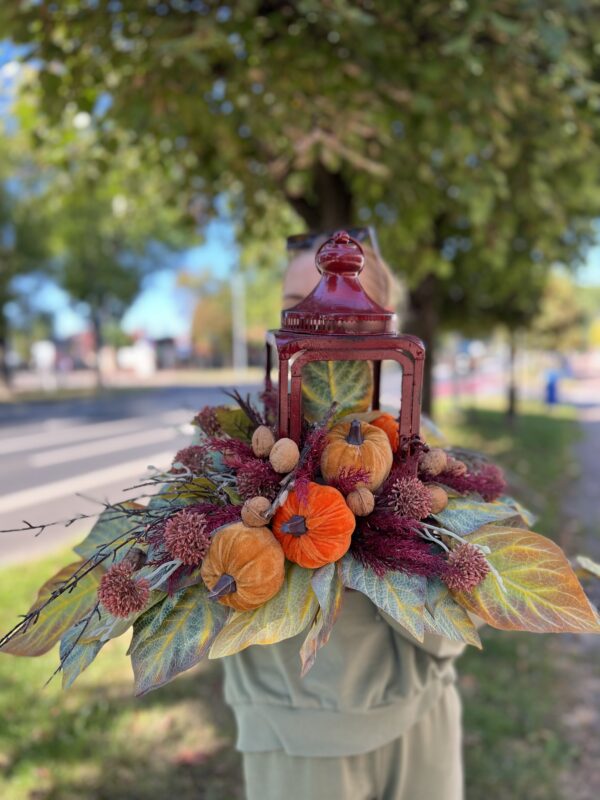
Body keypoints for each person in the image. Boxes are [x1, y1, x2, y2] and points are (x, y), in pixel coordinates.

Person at [222, 234, 467, 800]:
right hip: (297, 743)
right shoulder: (237, 457)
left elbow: (452, 622)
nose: (317, 333)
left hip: (421, 722)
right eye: (294, 304)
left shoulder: (416, 451)